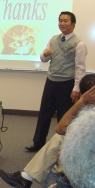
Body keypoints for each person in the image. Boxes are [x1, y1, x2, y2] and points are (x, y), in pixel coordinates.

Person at [0, 73, 95, 188]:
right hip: (86, 146)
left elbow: (60, 129)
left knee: (58, 142)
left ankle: (28, 180)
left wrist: (82, 101)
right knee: (55, 154)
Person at [25, 12, 87, 152]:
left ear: (73, 24)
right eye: (60, 20)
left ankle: (64, 146)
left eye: (66, 21)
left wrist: (77, 88)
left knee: (64, 115)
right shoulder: (53, 39)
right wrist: (44, 55)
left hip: (67, 83)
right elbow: (43, 58)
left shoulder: (79, 44)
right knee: (44, 113)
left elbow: (80, 68)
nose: (62, 23)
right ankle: (38, 143)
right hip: (51, 81)